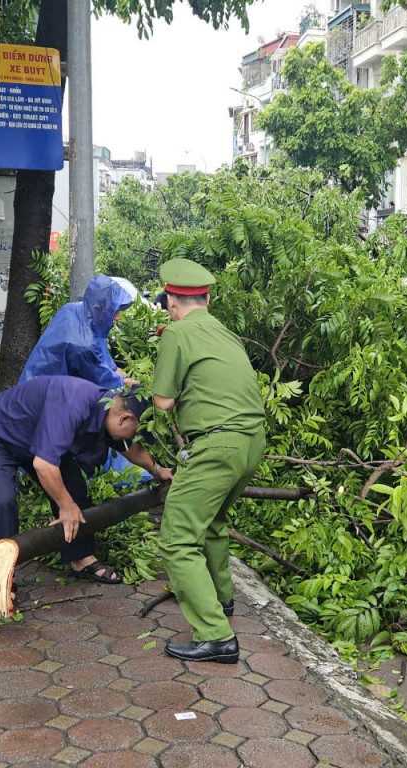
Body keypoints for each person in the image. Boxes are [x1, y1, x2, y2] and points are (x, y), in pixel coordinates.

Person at [151, 258, 266, 664]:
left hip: (217, 447)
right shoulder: (224, 332)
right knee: (213, 521)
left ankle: (216, 635)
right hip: (252, 442)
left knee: (177, 538)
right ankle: (222, 599)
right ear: (208, 298)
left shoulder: (177, 333)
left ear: (170, 303)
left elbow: (163, 400)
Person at [0, 376, 173, 582]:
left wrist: (157, 471)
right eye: (134, 432)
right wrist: (66, 506)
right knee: (3, 501)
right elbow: (44, 465)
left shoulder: (107, 410)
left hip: (33, 438)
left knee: (74, 489)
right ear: (124, 418)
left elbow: (129, 447)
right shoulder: (73, 406)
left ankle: (80, 558)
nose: (131, 437)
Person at [20, 275, 135, 390]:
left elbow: (99, 345)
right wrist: (122, 382)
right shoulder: (83, 345)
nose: (118, 317)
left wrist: (113, 369)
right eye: (114, 312)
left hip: (33, 382)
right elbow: (100, 379)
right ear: (98, 309)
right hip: (40, 394)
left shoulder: (73, 309)